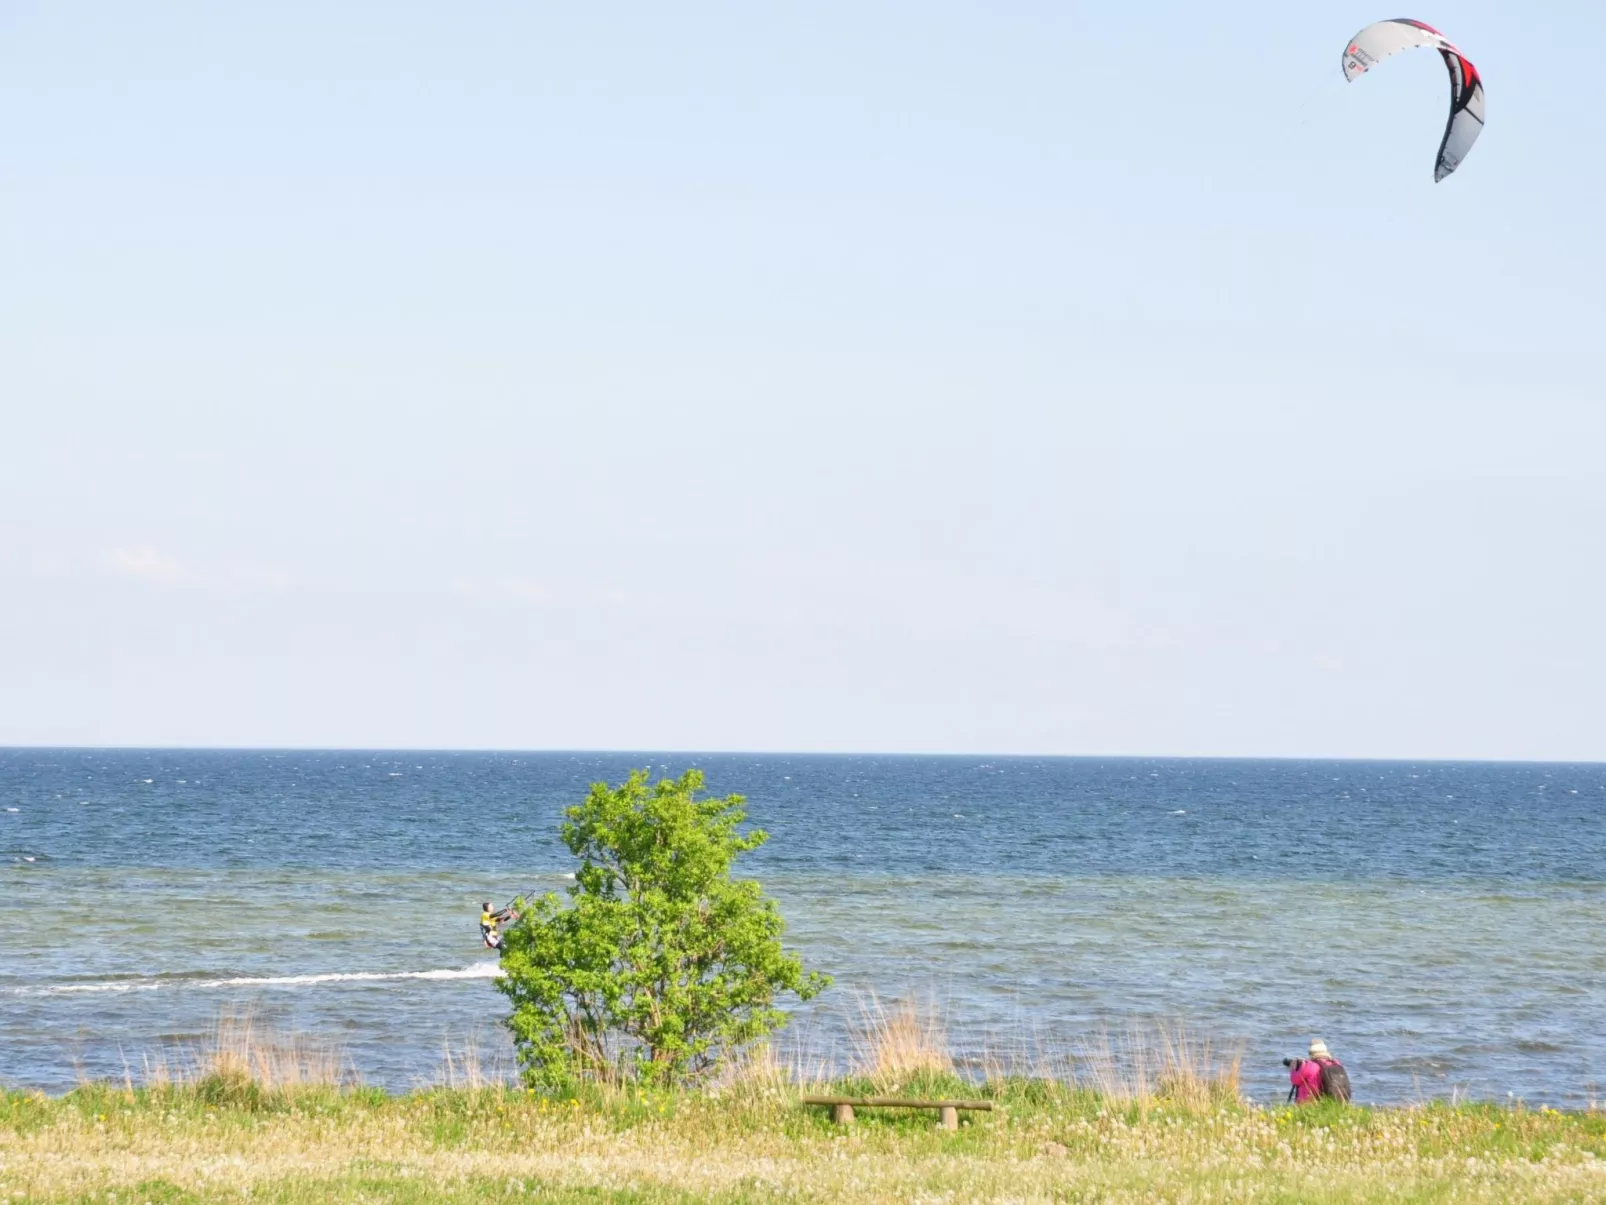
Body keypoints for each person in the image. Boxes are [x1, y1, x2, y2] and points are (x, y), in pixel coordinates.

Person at [1289, 1039, 1350, 1103]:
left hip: (1310, 1103)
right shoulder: (1336, 1063)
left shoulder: (1309, 1066)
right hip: (1334, 1101)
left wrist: (1293, 1068)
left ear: (1311, 1053)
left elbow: (1295, 1080)